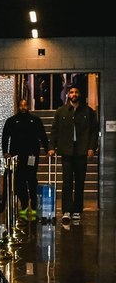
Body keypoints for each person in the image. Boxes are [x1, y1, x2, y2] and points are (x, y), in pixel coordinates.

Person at [48, 85, 98, 224]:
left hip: (81, 151)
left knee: (80, 182)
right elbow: (54, 130)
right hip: (67, 151)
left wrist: (92, 147)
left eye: (76, 92)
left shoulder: (88, 111)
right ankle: (66, 210)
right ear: (68, 95)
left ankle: (77, 210)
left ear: (79, 94)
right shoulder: (61, 111)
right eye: (71, 92)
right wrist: (51, 147)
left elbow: (94, 131)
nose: (74, 94)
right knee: (67, 182)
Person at [2, 99, 49, 216]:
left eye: (25, 105)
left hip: (32, 155)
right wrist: (5, 152)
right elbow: (5, 137)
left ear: (28, 106)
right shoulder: (11, 121)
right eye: (21, 105)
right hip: (17, 156)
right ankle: (24, 205)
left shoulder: (35, 120)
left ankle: (33, 206)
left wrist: (48, 149)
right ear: (18, 107)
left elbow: (42, 136)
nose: (23, 107)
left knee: (32, 179)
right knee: (19, 181)